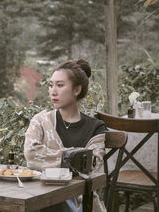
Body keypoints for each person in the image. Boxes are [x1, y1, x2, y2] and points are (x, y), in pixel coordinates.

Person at [24, 59, 106, 212]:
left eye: (60, 85)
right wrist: (73, 157)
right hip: (42, 197)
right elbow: (31, 155)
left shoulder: (96, 127)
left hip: (79, 201)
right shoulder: (41, 121)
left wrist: (51, 161)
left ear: (77, 90)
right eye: (51, 85)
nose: (53, 91)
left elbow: (90, 165)